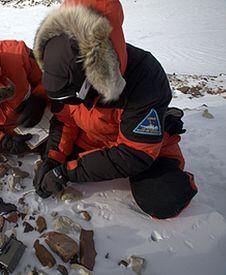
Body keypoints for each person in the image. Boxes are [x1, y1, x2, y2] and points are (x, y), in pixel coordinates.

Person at [32, 0, 197, 219]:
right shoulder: (63, 68)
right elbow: (65, 120)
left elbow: (133, 153)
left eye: (74, 97)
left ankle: (160, 123)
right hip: (93, 137)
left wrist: (66, 172)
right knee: (48, 156)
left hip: (138, 146)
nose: (70, 103)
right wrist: (53, 159)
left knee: (163, 197)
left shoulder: (145, 78)